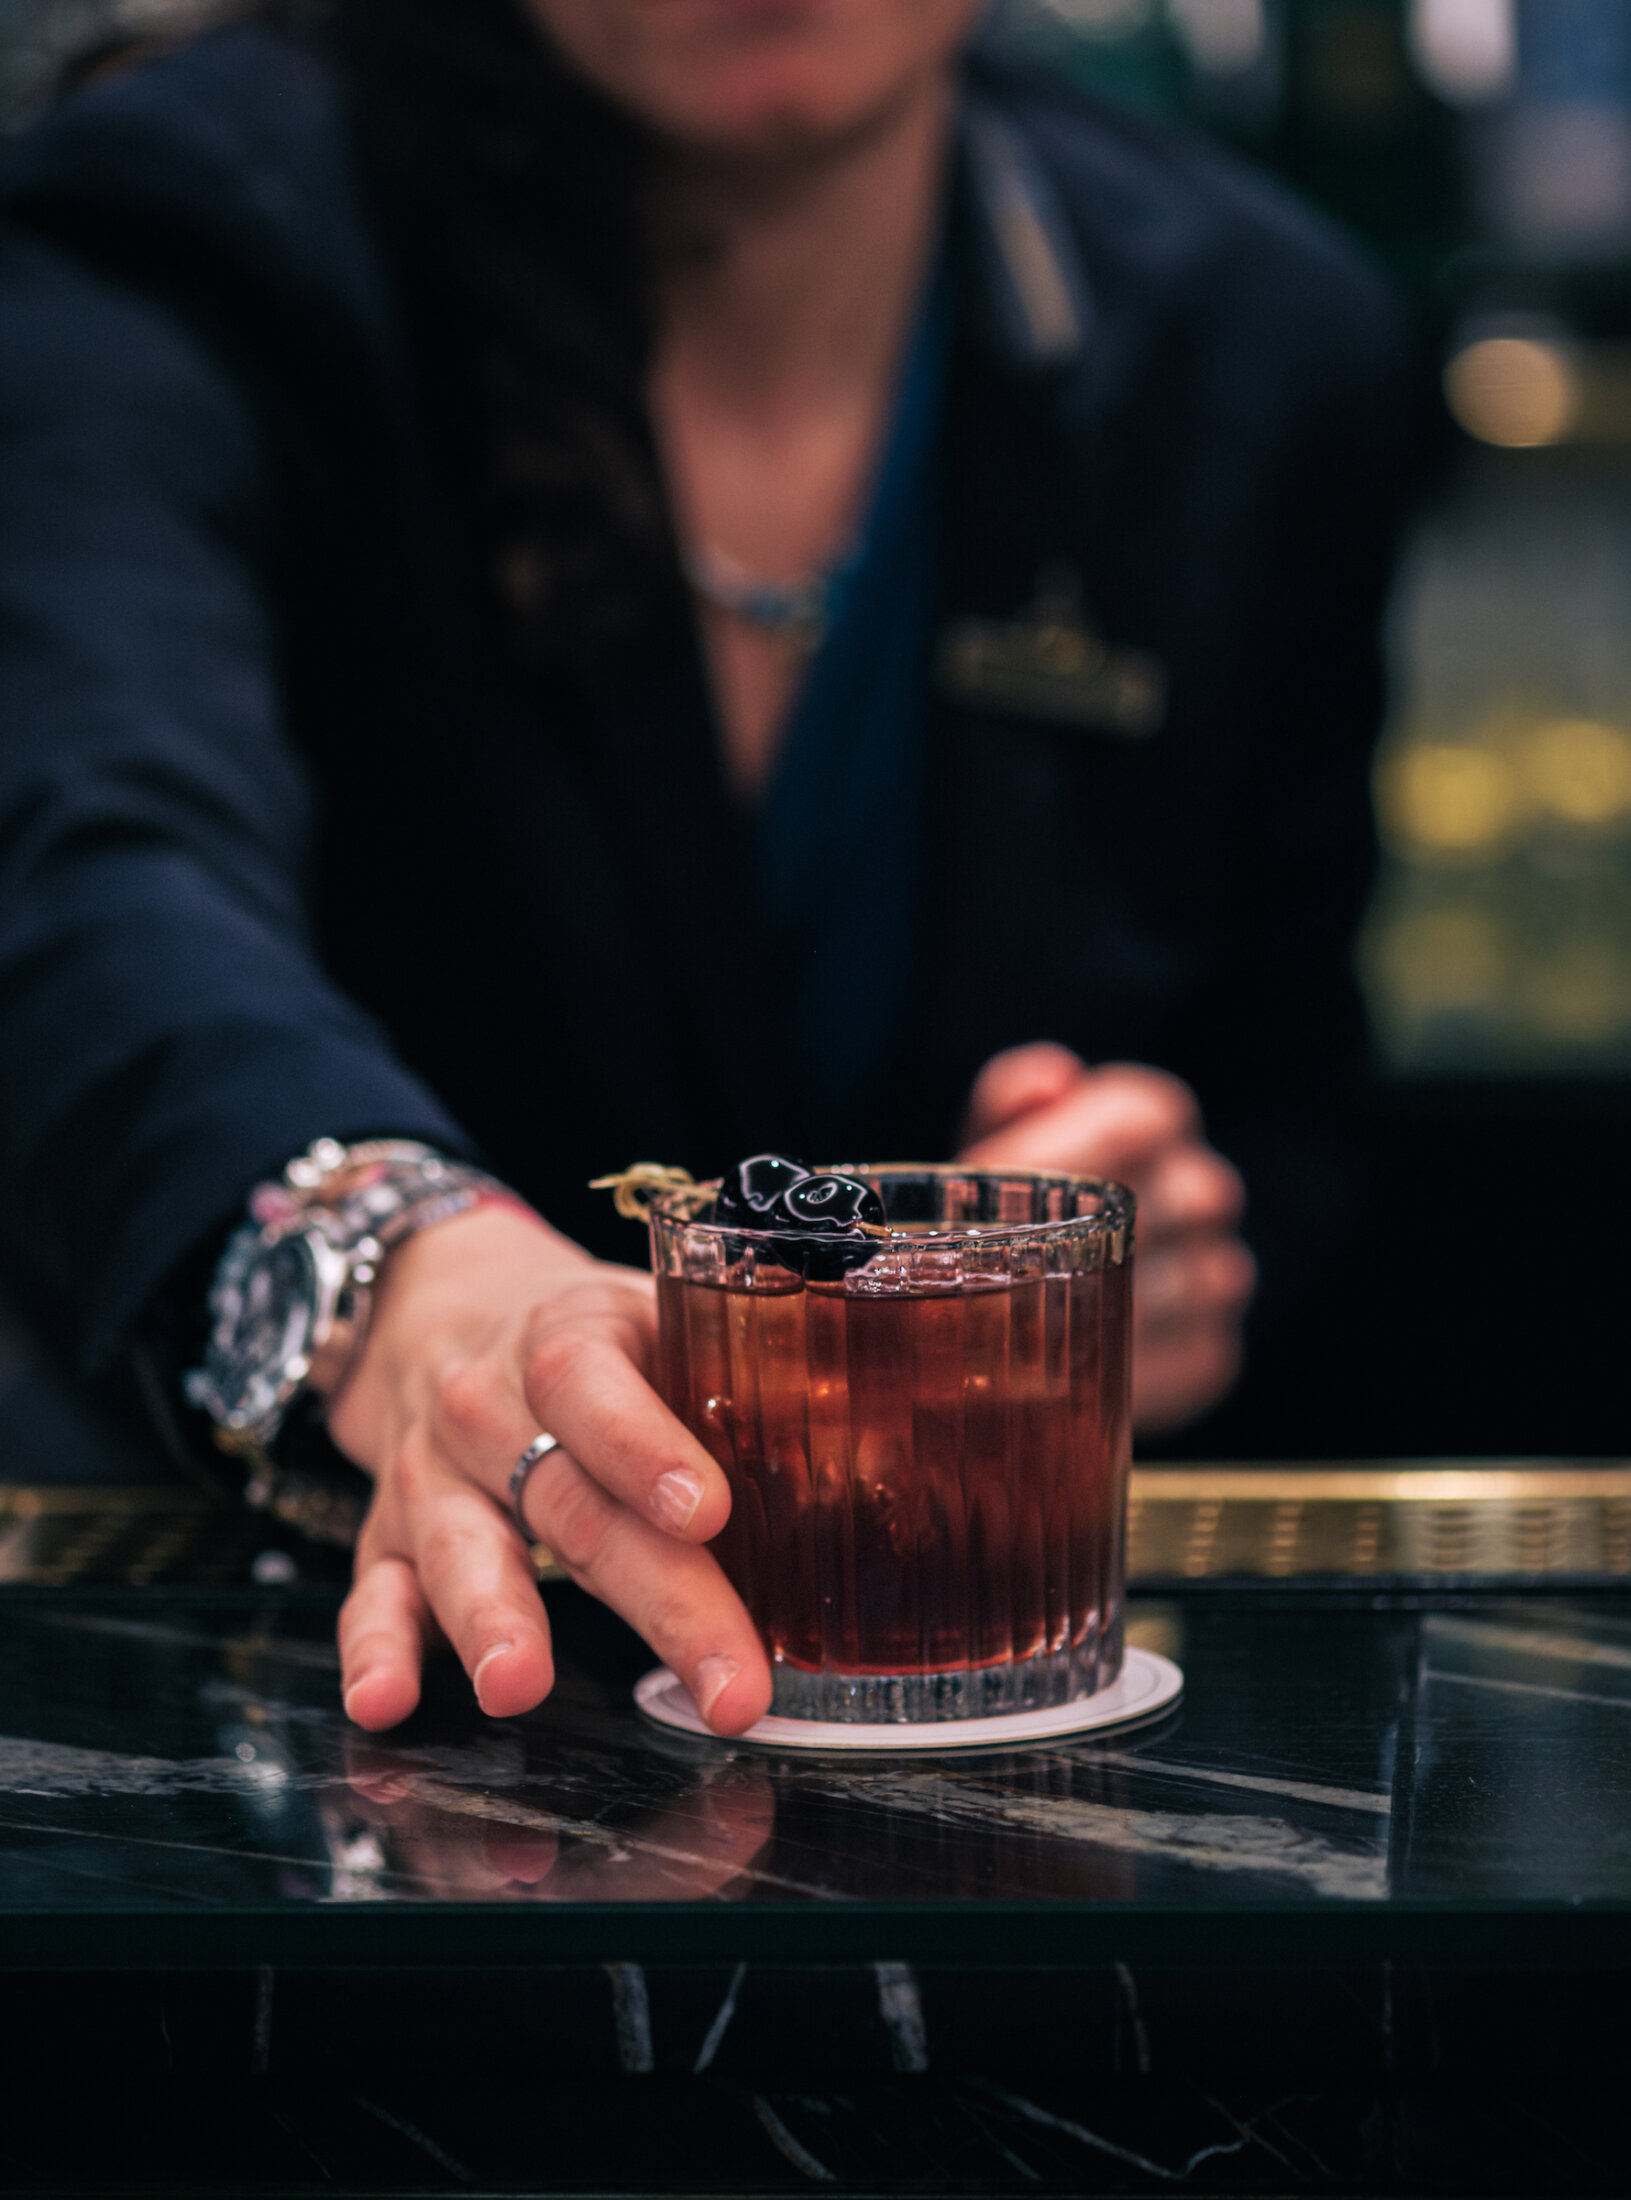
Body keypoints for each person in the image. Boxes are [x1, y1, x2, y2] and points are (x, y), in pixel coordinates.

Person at [0, 0, 1419, 1736]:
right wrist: (404, 1272)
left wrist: (1182, 1260)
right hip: (309, 1711)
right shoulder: (169, 232)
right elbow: (88, 869)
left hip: (959, 1727)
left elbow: (1289, 1075)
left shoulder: (1262, 342)